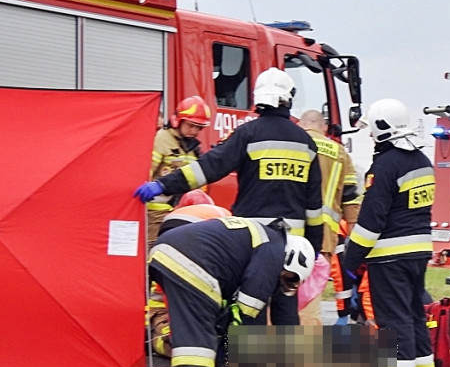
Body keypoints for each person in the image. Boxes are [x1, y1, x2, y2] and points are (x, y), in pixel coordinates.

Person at [134, 67, 324, 325]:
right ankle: (284, 364)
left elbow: (209, 167)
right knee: (285, 307)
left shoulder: (249, 133)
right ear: (289, 97)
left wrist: (164, 185)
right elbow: (313, 206)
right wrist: (313, 247)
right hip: (292, 242)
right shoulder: (305, 142)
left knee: (251, 303)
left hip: (254, 239)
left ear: (259, 98)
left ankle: (248, 363)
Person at [147, 216, 315, 367]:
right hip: (193, 259)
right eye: (290, 278)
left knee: (202, 323)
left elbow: (264, 311)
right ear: (291, 259)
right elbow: (249, 310)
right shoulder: (274, 250)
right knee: (198, 330)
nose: (285, 283)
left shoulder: (263, 240)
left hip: (167, 252)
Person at [342, 98, 436, 367]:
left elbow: (371, 221)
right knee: (413, 314)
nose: (369, 136)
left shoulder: (384, 166)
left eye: (371, 130)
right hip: (419, 253)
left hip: (390, 257)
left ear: (383, 128)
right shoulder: (423, 162)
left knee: (393, 319)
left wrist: (351, 257)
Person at [296, 109, 361, 326]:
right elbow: (351, 197)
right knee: (310, 297)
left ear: (300, 124)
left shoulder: (292, 144)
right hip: (323, 237)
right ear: (324, 128)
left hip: (290, 231)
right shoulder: (339, 152)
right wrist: (352, 237)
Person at [145, 96, 212, 248]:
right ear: (178, 121)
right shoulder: (162, 139)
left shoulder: (192, 147)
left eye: (199, 127)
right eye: (191, 125)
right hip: (158, 214)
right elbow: (146, 172)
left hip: (184, 212)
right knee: (155, 250)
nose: (194, 131)